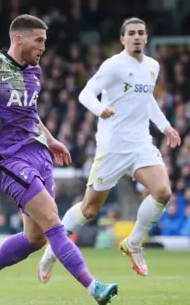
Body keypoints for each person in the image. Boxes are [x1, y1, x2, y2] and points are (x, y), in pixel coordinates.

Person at [0, 14, 119, 305]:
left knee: (36, 237)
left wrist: (51, 138)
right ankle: (94, 286)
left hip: (40, 155)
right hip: (10, 160)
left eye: (45, 40)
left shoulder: (35, 71)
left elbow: (30, 112)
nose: (43, 47)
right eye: (39, 40)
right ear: (19, 39)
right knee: (54, 222)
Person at [37, 18, 181, 281]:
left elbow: (147, 99)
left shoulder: (152, 66)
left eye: (141, 33)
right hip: (113, 147)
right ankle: (53, 249)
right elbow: (86, 94)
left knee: (162, 192)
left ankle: (134, 243)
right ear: (123, 39)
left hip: (140, 145)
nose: (137, 37)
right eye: (131, 34)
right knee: (89, 210)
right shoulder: (113, 66)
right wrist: (99, 109)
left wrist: (166, 127)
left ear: (146, 38)